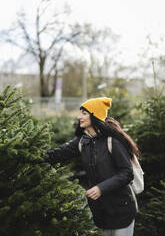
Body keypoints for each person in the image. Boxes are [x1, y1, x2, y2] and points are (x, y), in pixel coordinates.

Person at [45, 97, 139, 236]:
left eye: (84, 113)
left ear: (95, 115)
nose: (79, 117)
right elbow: (55, 155)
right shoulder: (83, 141)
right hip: (101, 210)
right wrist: (29, 155)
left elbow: (126, 173)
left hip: (121, 209)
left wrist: (101, 188)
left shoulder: (112, 141)